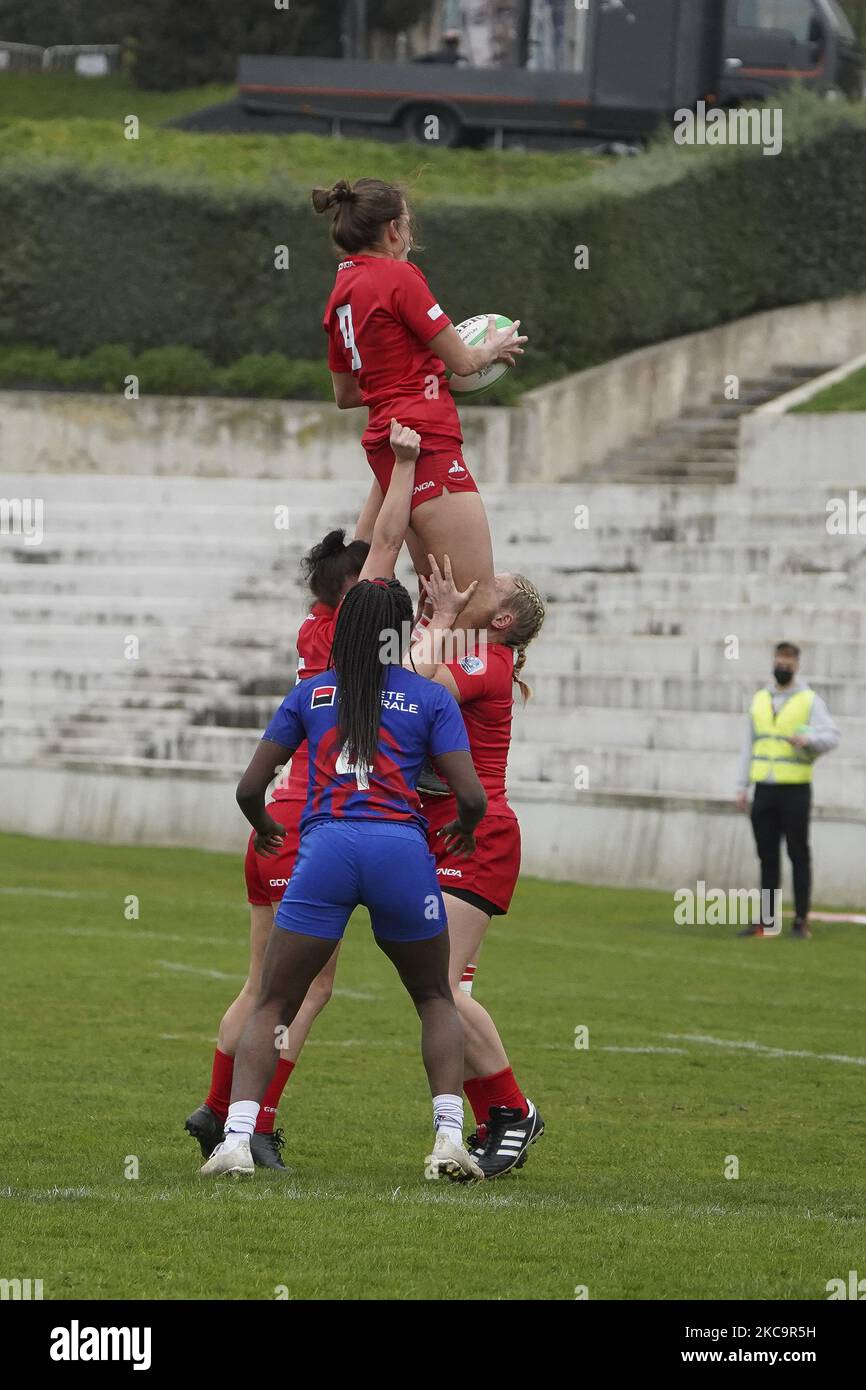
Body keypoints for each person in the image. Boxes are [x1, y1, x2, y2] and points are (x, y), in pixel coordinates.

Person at [185, 422, 423, 1168]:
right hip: (309, 823)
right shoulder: (355, 633)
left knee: (265, 986)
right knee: (302, 993)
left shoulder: (320, 621)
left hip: (276, 824)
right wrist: (408, 461)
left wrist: (384, 462)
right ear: (354, 595)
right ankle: (249, 1123)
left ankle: (217, 1110)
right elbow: (379, 544)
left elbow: (363, 544)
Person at [200, 576, 489, 1182]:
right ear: (403, 633)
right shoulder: (430, 697)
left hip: (326, 849)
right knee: (435, 996)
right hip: (400, 853)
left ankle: (235, 1141)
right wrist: (461, 830)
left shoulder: (312, 694)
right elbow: (470, 795)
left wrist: (265, 826)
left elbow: (250, 788)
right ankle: (447, 1139)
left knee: (275, 999)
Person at [312, 175, 526, 631]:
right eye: (407, 225)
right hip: (425, 441)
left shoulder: (340, 295)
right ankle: (434, 699)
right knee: (478, 601)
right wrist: (495, 347)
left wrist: (418, 373)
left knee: (438, 601)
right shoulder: (398, 276)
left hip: (389, 446)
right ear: (392, 230)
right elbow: (466, 362)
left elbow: (348, 394)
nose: (409, 236)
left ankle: (421, 698)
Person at [408, 554, 547, 1177]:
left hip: (478, 834)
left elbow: (419, 689)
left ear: (505, 617)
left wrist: (437, 617)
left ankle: (514, 1109)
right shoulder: (476, 650)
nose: (481, 580)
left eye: (493, 586)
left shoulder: (486, 660)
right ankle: (497, 1117)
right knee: (446, 991)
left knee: (438, 984)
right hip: (446, 829)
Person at [735, 641, 840, 939]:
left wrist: (809, 741)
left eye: (787, 664)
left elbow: (832, 736)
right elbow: (748, 745)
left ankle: (800, 921)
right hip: (764, 789)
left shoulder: (808, 700)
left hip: (794, 788)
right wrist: (741, 786)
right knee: (767, 856)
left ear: (796, 666)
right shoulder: (759, 699)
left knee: (798, 854)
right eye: (779, 662)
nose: (782, 668)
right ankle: (767, 922)